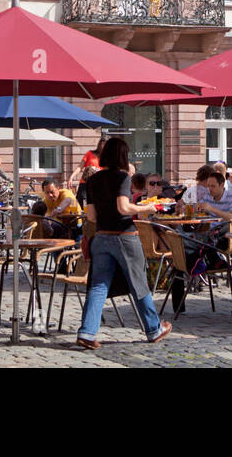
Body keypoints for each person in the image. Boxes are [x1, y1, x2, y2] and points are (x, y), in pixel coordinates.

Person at [76, 138, 172, 349]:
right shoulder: (122, 177)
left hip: (101, 237)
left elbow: (90, 215)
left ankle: (87, 331)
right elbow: (123, 207)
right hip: (124, 236)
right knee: (138, 281)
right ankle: (154, 329)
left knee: (98, 286)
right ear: (123, 156)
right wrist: (148, 209)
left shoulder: (93, 180)